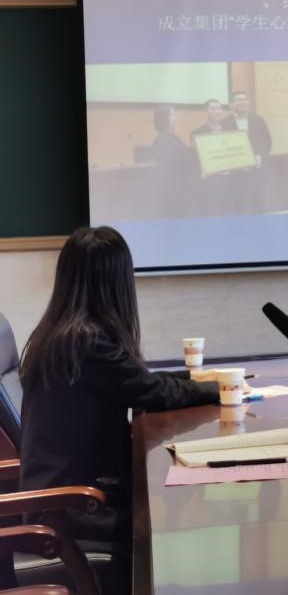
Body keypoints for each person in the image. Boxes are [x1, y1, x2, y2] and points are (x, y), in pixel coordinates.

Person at [19, 227, 219, 593]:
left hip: (71, 498)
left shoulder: (65, 332)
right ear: (115, 282)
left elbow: (138, 381)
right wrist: (220, 390)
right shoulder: (84, 341)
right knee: (169, 524)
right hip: (70, 508)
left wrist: (199, 382)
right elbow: (150, 391)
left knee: (170, 504)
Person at [221, 90, 272, 162]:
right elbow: (223, 145)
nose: (243, 102)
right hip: (234, 164)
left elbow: (267, 141)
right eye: (239, 100)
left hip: (257, 163)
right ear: (231, 105)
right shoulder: (224, 123)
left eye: (245, 100)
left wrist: (260, 155)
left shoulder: (259, 120)